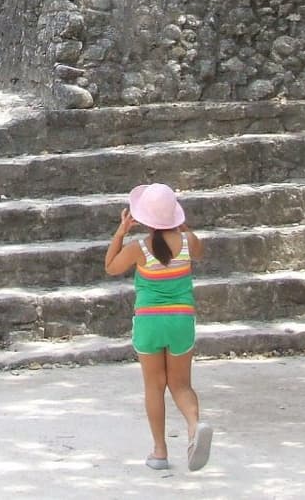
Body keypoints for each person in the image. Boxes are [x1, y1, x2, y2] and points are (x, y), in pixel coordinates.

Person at [105, 183, 211, 472]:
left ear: (145, 219)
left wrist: (121, 231)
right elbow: (198, 251)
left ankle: (160, 451)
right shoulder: (189, 242)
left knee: (154, 386)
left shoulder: (139, 248)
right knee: (181, 385)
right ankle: (194, 426)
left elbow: (111, 267)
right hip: (180, 321)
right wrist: (182, 226)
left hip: (150, 323)